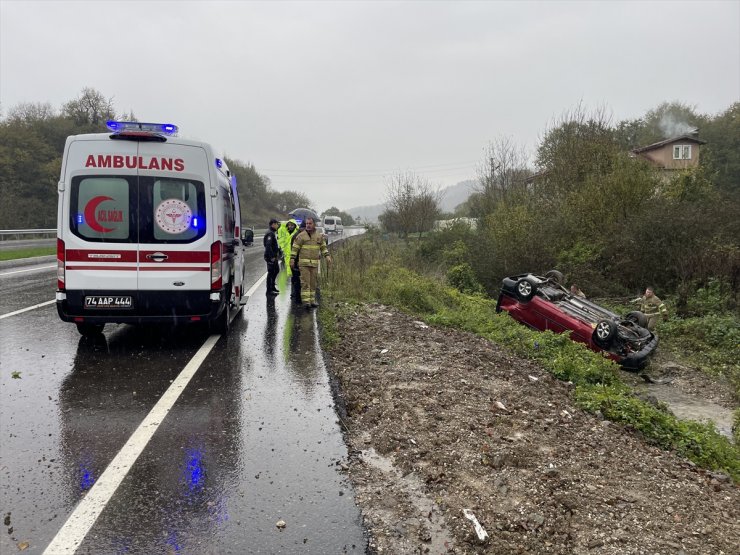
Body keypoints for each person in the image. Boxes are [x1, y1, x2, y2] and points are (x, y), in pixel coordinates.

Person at [290, 217, 332, 308]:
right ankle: (306, 302)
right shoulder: (301, 236)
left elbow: (323, 247)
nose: (308, 225)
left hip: (314, 264)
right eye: (307, 224)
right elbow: (295, 248)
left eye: (310, 224)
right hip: (304, 264)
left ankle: (312, 301)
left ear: (314, 225)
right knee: (305, 283)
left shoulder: (318, 236)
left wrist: (327, 256)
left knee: (313, 283)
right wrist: (292, 259)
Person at [263, 218, 280, 296]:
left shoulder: (272, 232)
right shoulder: (270, 233)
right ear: (273, 224)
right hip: (271, 257)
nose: (277, 225)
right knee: (271, 273)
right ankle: (269, 290)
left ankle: (272, 287)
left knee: (276, 270)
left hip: (274, 256)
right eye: (277, 224)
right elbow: (268, 246)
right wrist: (272, 257)